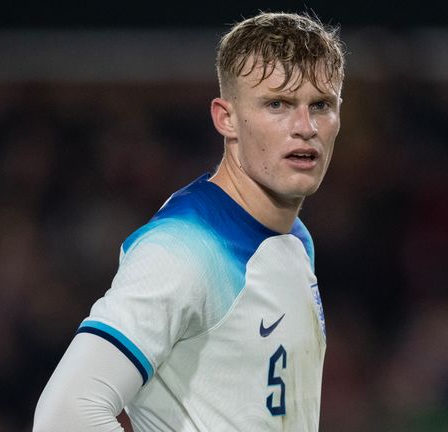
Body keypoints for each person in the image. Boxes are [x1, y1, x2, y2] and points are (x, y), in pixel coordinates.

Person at [33, 11, 345, 431]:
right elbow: (65, 415)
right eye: (278, 104)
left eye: (320, 105)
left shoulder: (293, 238)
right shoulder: (182, 250)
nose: (305, 127)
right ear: (226, 118)